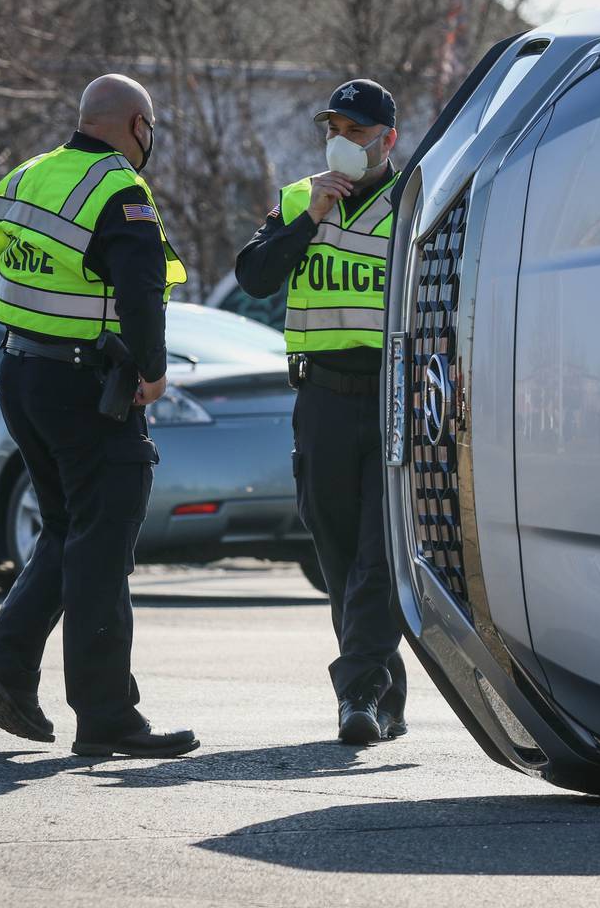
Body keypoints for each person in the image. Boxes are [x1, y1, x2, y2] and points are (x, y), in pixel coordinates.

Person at [0, 73, 198, 759]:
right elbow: (142, 291)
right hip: (85, 389)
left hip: (20, 376)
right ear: (134, 126)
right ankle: (107, 719)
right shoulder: (120, 190)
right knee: (101, 548)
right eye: (150, 129)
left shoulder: (28, 175)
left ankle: (5, 666)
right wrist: (151, 375)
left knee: (68, 528)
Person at [235, 79, 406, 745]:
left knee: (379, 553)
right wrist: (307, 220)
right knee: (337, 550)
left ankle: (357, 691)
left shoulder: (416, 203)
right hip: (322, 397)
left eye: (356, 131)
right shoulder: (302, 199)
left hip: (392, 396)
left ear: (387, 139)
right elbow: (254, 276)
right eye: (333, 129)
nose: (341, 142)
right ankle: (383, 693)